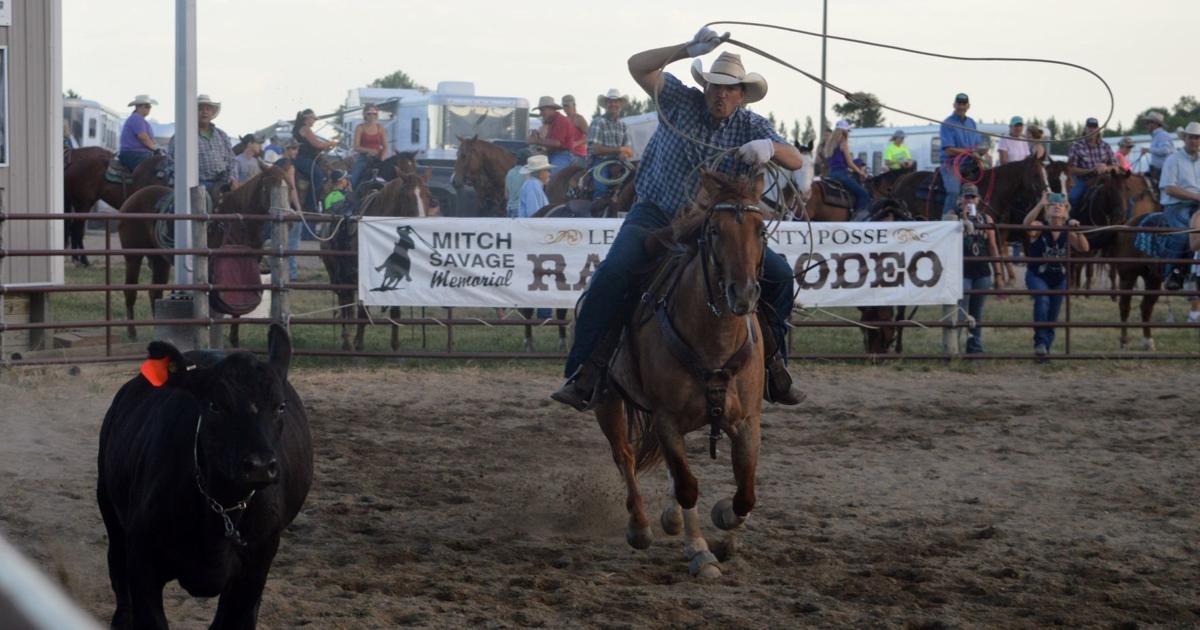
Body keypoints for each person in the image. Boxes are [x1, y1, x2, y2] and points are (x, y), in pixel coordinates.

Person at [550, 29, 806, 410]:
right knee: (613, 274)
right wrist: (686, 49)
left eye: (730, 88)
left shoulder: (752, 126)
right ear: (704, 87)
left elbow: (796, 160)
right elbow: (638, 66)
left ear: (741, 94)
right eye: (715, 86)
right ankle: (585, 369)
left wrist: (771, 147)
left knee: (780, 276)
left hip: (712, 224)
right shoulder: (678, 100)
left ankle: (773, 365)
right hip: (655, 214)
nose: (721, 94)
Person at [1023, 191, 1089, 359]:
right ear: (1047, 209)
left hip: (1059, 277)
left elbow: (1084, 248)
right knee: (1043, 299)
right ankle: (1039, 342)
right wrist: (1040, 203)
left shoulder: (1068, 230)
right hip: (1037, 274)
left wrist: (1078, 230)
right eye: (1053, 205)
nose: (1057, 207)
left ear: (1065, 211)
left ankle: (1045, 349)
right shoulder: (1039, 227)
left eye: (1060, 205)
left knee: (1053, 313)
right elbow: (1026, 225)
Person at [945, 183, 1002, 354]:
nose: (969, 200)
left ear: (978, 200)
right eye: (966, 196)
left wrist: (998, 272)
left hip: (982, 270)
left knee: (977, 311)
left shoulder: (986, 219)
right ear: (960, 199)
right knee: (960, 310)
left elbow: (992, 246)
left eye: (973, 197)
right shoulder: (951, 216)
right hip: (961, 270)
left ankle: (974, 346)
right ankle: (954, 346)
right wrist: (962, 218)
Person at [1158, 121, 1200, 290]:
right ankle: (1173, 272)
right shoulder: (1173, 159)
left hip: (1197, 204)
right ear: (1185, 138)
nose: (1194, 141)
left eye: (1197, 138)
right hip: (1177, 205)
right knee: (1183, 235)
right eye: (1191, 137)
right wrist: (1196, 196)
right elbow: (1169, 188)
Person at [168, 94, 236, 198]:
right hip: (195, 186)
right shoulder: (183, 135)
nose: (204, 112)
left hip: (222, 185)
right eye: (200, 109)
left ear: (212, 112)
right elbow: (172, 161)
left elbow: (231, 159)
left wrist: (231, 177)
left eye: (208, 109)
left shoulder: (222, 135)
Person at [939, 92, 982, 213]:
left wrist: (982, 152)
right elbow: (948, 150)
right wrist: (970, 152)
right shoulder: (947, 123)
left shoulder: (972, 123)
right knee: (954, 191)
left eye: (964, 104)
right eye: (959, 104)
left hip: (970, 163)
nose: (961, 107)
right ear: (954, 105)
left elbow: (977, 145)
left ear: (968, 106)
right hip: (951, 164)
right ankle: (947, 219)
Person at [588, 89, 634, 199]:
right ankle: (598, 210)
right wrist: (619, 150)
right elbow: (595, 149)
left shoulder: (623, 125)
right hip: (600, 161)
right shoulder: (598, 122)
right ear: (606, 104)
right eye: (610, 101)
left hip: (619, 160)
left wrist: (625, 154)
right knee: (601, 189)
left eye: (616, 101)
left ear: (620, 104)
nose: (613, 104)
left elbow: (627, 148)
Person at [292, 108, 338, 212]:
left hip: (302, 158)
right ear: (308, 119)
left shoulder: (298, 128)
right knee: (319, 176)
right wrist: (331, 143)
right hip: (303, 158)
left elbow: (317, 146)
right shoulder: (305, 129)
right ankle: (311, 206)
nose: (314, 121)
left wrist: (325, 146)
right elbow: (317, 144)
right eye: (313, 119)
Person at [821, 120, 869, 214]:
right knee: (864, 194)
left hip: (830, 174)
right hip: (842, 174)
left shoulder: (829, 144)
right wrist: (861, 173)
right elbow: (850, 163)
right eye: (848, 131)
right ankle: (856, 218)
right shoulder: (843, 143)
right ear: (845, 131)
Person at [1067, 117, 1116, 210]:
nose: (1091, 130)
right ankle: (1071, 221)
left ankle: (1126, 222)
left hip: (1105, 180)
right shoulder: (1076, 146)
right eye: (1089, 127)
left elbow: (1116, 166)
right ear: (1085, 129)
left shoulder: (1105, 146)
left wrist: (1106, 168)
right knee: (1073, 198)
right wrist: (1091, 170)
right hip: (1084, 181)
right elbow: (1071, 169)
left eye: (1094, 127)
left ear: (1098, 130)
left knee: (1124, 197)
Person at [527, 96, 582, 174]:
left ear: (551, 109)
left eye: (542, 110)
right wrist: (538, 137)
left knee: (554, 176)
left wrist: (536, 140)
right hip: (553, 153)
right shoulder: (551, 121)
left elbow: (557, 143)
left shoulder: (561, 121)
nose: (540, 113)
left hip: (563, 154)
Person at [351, 104, 389, 188]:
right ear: (364, 114)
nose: (372, 115)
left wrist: (382, 158)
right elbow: (356, 147)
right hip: (364, 158)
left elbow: (385, 146)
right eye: (369, 113)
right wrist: (369, 151)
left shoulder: (380, 127)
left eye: (374, 113)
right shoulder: (360, 128)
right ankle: (351, 196)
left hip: (379, 158)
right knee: (354, 178)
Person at [118, 94, 159, 171]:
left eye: (149, 106)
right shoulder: (137, 118)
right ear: (138, 107)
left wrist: (156, 147)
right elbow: (142, 137)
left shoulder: (139, 119)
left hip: (136, 153)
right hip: (134, 154)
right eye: (147, 106)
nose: (149, 108)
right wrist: (155, 149)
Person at [1141, 111, 1176, 182]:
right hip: (1158, 170)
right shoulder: (1157, 136)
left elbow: (1165, 150)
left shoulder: (1162, 135)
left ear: (1154, 124)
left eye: (1148, 123)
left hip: (1163, 172)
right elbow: (1156, 159)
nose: (1146, 125)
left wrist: (1148, 150)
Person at [561, 95, 590, 167]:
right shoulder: (564, 120)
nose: (565, 108)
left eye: (567, 106)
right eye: (564, 106)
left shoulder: (579, 119)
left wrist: (576, 143)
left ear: (574, 105)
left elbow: (590, 136)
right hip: (567, 154)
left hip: (579, 155)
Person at [505, 149, 531, 218]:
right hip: (521, 210)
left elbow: (506, 195)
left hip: (510, 209)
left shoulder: (509, 172)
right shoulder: (528, 173)